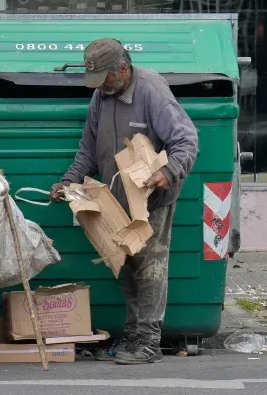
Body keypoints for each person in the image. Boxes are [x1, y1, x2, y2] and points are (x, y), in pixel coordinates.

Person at [49, 39, 198, 365]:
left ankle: (148, 343)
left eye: (105, 78)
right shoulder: (101, 96)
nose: (100, 86)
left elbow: (186, 140)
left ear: (123, 69)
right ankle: (133, 337)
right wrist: (67, 182)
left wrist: (169, 172)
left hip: (152, 199)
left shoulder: (151, 90)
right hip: (119, 202)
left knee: (150, 268)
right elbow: (88, 151)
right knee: (128, 267)